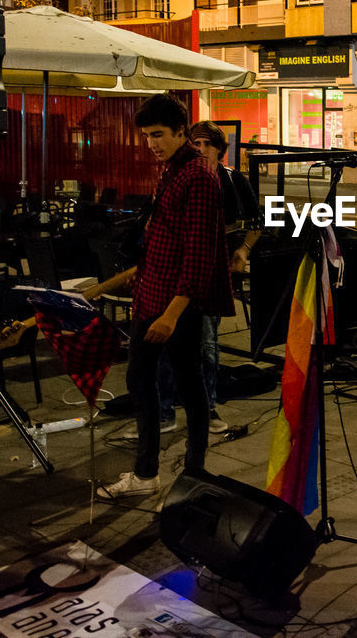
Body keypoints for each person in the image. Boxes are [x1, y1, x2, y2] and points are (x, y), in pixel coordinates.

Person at [97, 95, 234, 500]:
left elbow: (198, 256)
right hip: (153, 296)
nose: (151, 144)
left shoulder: (199, 178)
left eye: (158, 135)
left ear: (181, 132)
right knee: (146, 381)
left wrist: (172, 314)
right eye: (146, 136)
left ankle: (187, 471)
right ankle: (150, 473)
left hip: (176, 306)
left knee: (188, 387)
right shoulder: (172, 171)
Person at [150, 120, 259, 436]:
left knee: (207, 346)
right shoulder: (177, 178)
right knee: (165, 346)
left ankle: (208, 409)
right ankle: (165, 412)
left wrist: (243, 251)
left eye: (205, 144)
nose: (198, 149)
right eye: (194, 143)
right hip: (173, 276)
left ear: (220, 151)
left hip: (210, 278)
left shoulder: (232, 181)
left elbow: (254, 223)